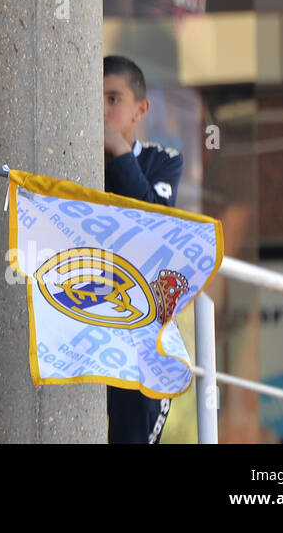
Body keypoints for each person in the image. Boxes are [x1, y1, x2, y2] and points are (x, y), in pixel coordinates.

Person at [103, 54, 183, 444]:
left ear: (141, 109)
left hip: (139, 322)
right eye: (94, 98)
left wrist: (118, 152)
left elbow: (155, 219)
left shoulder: (162, 160)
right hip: (80, 311)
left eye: (113, 99)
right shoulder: (68, 156)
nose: (101, 110)